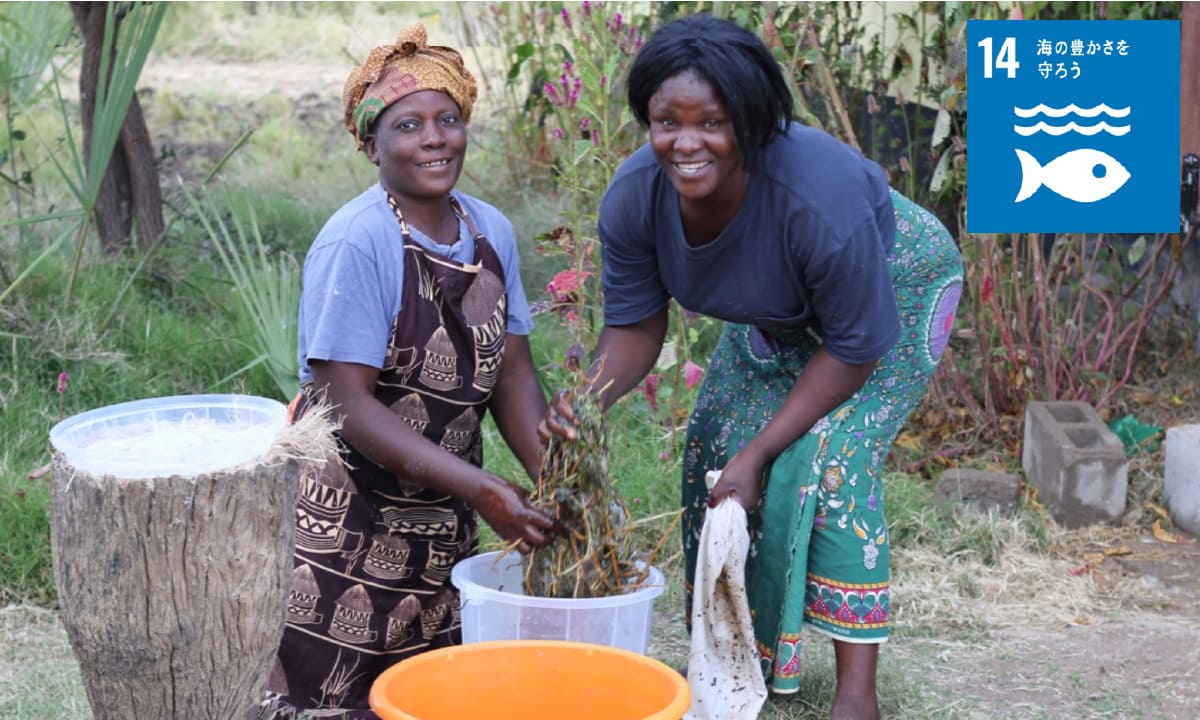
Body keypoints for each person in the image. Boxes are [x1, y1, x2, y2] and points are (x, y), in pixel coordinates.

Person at [538, 14, 963, 720]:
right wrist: (587, 399)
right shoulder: (636, 196)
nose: (686, 142)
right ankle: (737, 652)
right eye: (665, 121)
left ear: (753, 121)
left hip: (892, 286)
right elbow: (638, 325)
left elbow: (855, 348)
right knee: (714, 443)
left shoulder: (816, 200)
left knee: (828, 461)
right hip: (779, 306)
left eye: (712, 122)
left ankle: (858, 696)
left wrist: (764, 452)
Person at [260, 25, 556, 719]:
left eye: (448, 120)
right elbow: (345, 405)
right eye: (408, 125)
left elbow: (512, 374)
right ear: (371, 144)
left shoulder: (491, 233)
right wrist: (485, 488)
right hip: (344, 517)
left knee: (427, 695)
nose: (434, 138)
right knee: (328, 697)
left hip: (441, 508)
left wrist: (550, 483)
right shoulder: (358, 241)